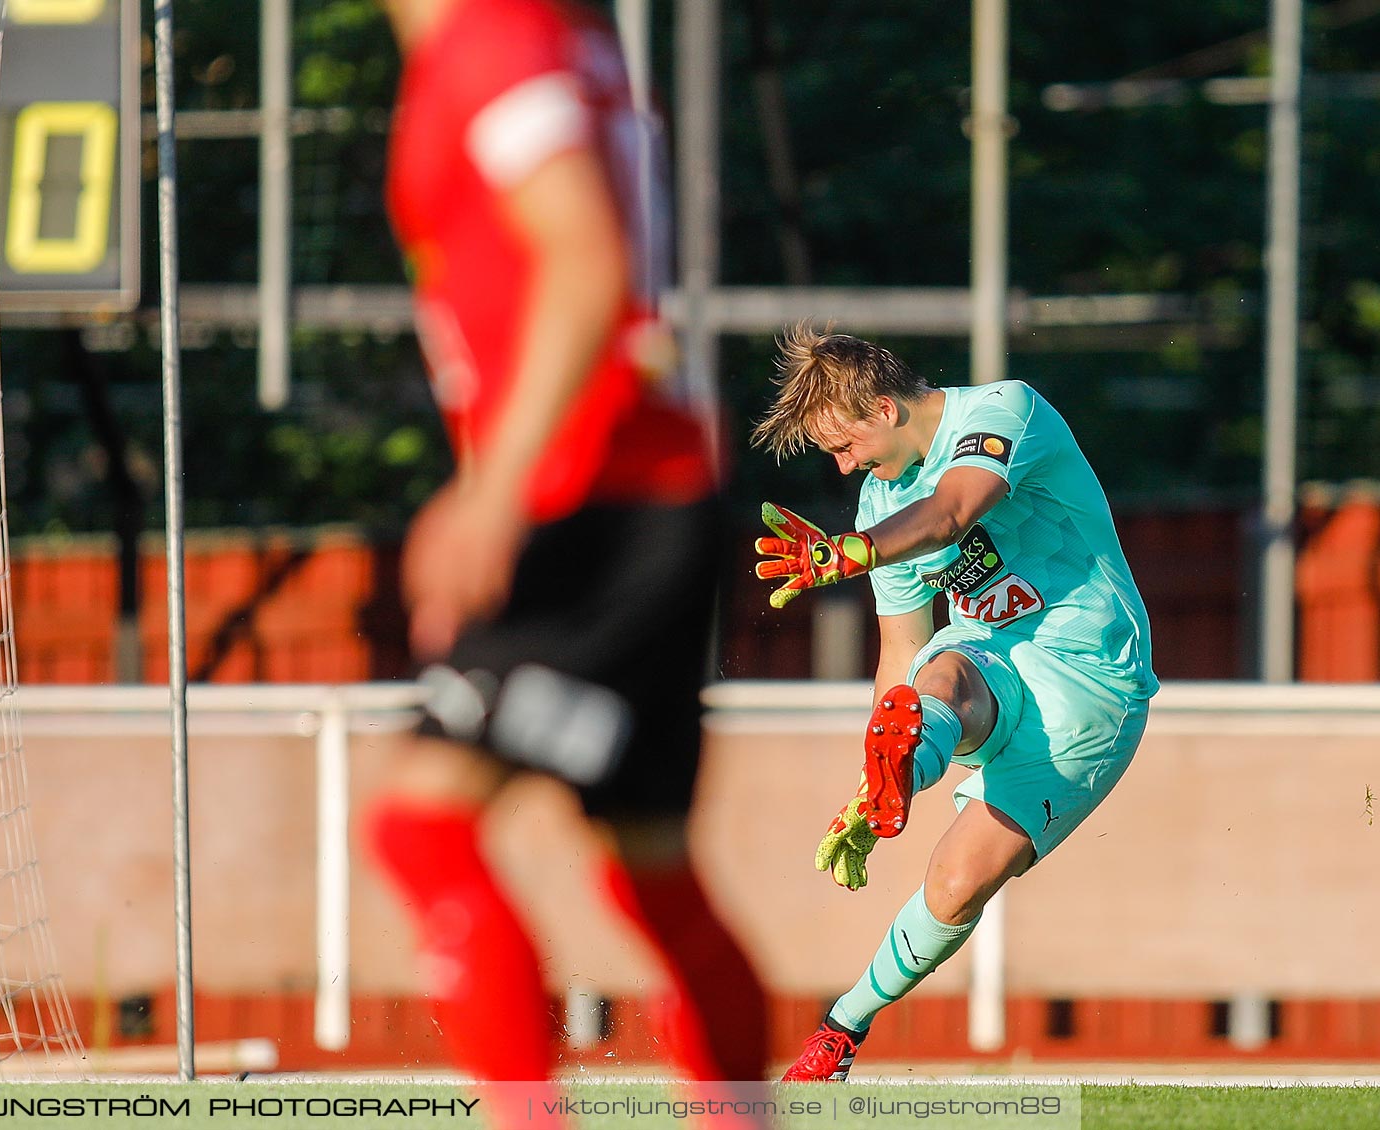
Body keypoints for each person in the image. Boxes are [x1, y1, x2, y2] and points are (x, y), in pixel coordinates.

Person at [366, 0, 771, 1118]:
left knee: (421, 828)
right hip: (638, 490)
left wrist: (491, 493)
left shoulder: (498, 37)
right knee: (651, 874)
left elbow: (587, 259)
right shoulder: (529, 34)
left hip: (596, 501)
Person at [750, 326, 1158, 1081]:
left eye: (843, 446)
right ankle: (903, 770)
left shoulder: (1004, 412)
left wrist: (848, 551)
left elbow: (950, 514)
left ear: (882, 408)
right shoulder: (881, 497)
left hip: (1093, 687)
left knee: (957, 883)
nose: (844, 468)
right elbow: (902, 653)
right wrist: (873, 784)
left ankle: (850, 1018)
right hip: (987, 662)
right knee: (941, 677)